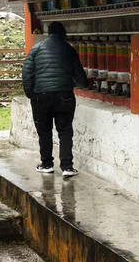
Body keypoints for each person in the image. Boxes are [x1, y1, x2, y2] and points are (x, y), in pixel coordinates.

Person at [22, 22, 88, 177]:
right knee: (65, 131)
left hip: (41, 97)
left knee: (44, 131)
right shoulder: (69, 50)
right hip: (64, 95)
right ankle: (67, 167)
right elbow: (80, 76)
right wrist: (83, 84)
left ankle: (46, 164)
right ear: (63, 33)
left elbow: (26, 74)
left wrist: (31, 94)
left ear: (49, 33)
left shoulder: (36, 49)